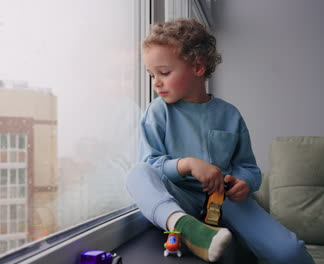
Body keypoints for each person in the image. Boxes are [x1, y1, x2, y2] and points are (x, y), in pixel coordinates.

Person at [126, 18, 315, 263]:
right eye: (151, 75)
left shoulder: (230, 115)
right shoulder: (157, 112)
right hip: (178, 198)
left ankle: (222, 241)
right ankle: (186, 228)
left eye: (164, 73)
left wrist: (244, 183)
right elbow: (151, 165)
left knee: (290, 253)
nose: (156, 83)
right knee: (136, 173)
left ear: (198, 67)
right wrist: (187, 164)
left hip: (226, 200)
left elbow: (250, 169)